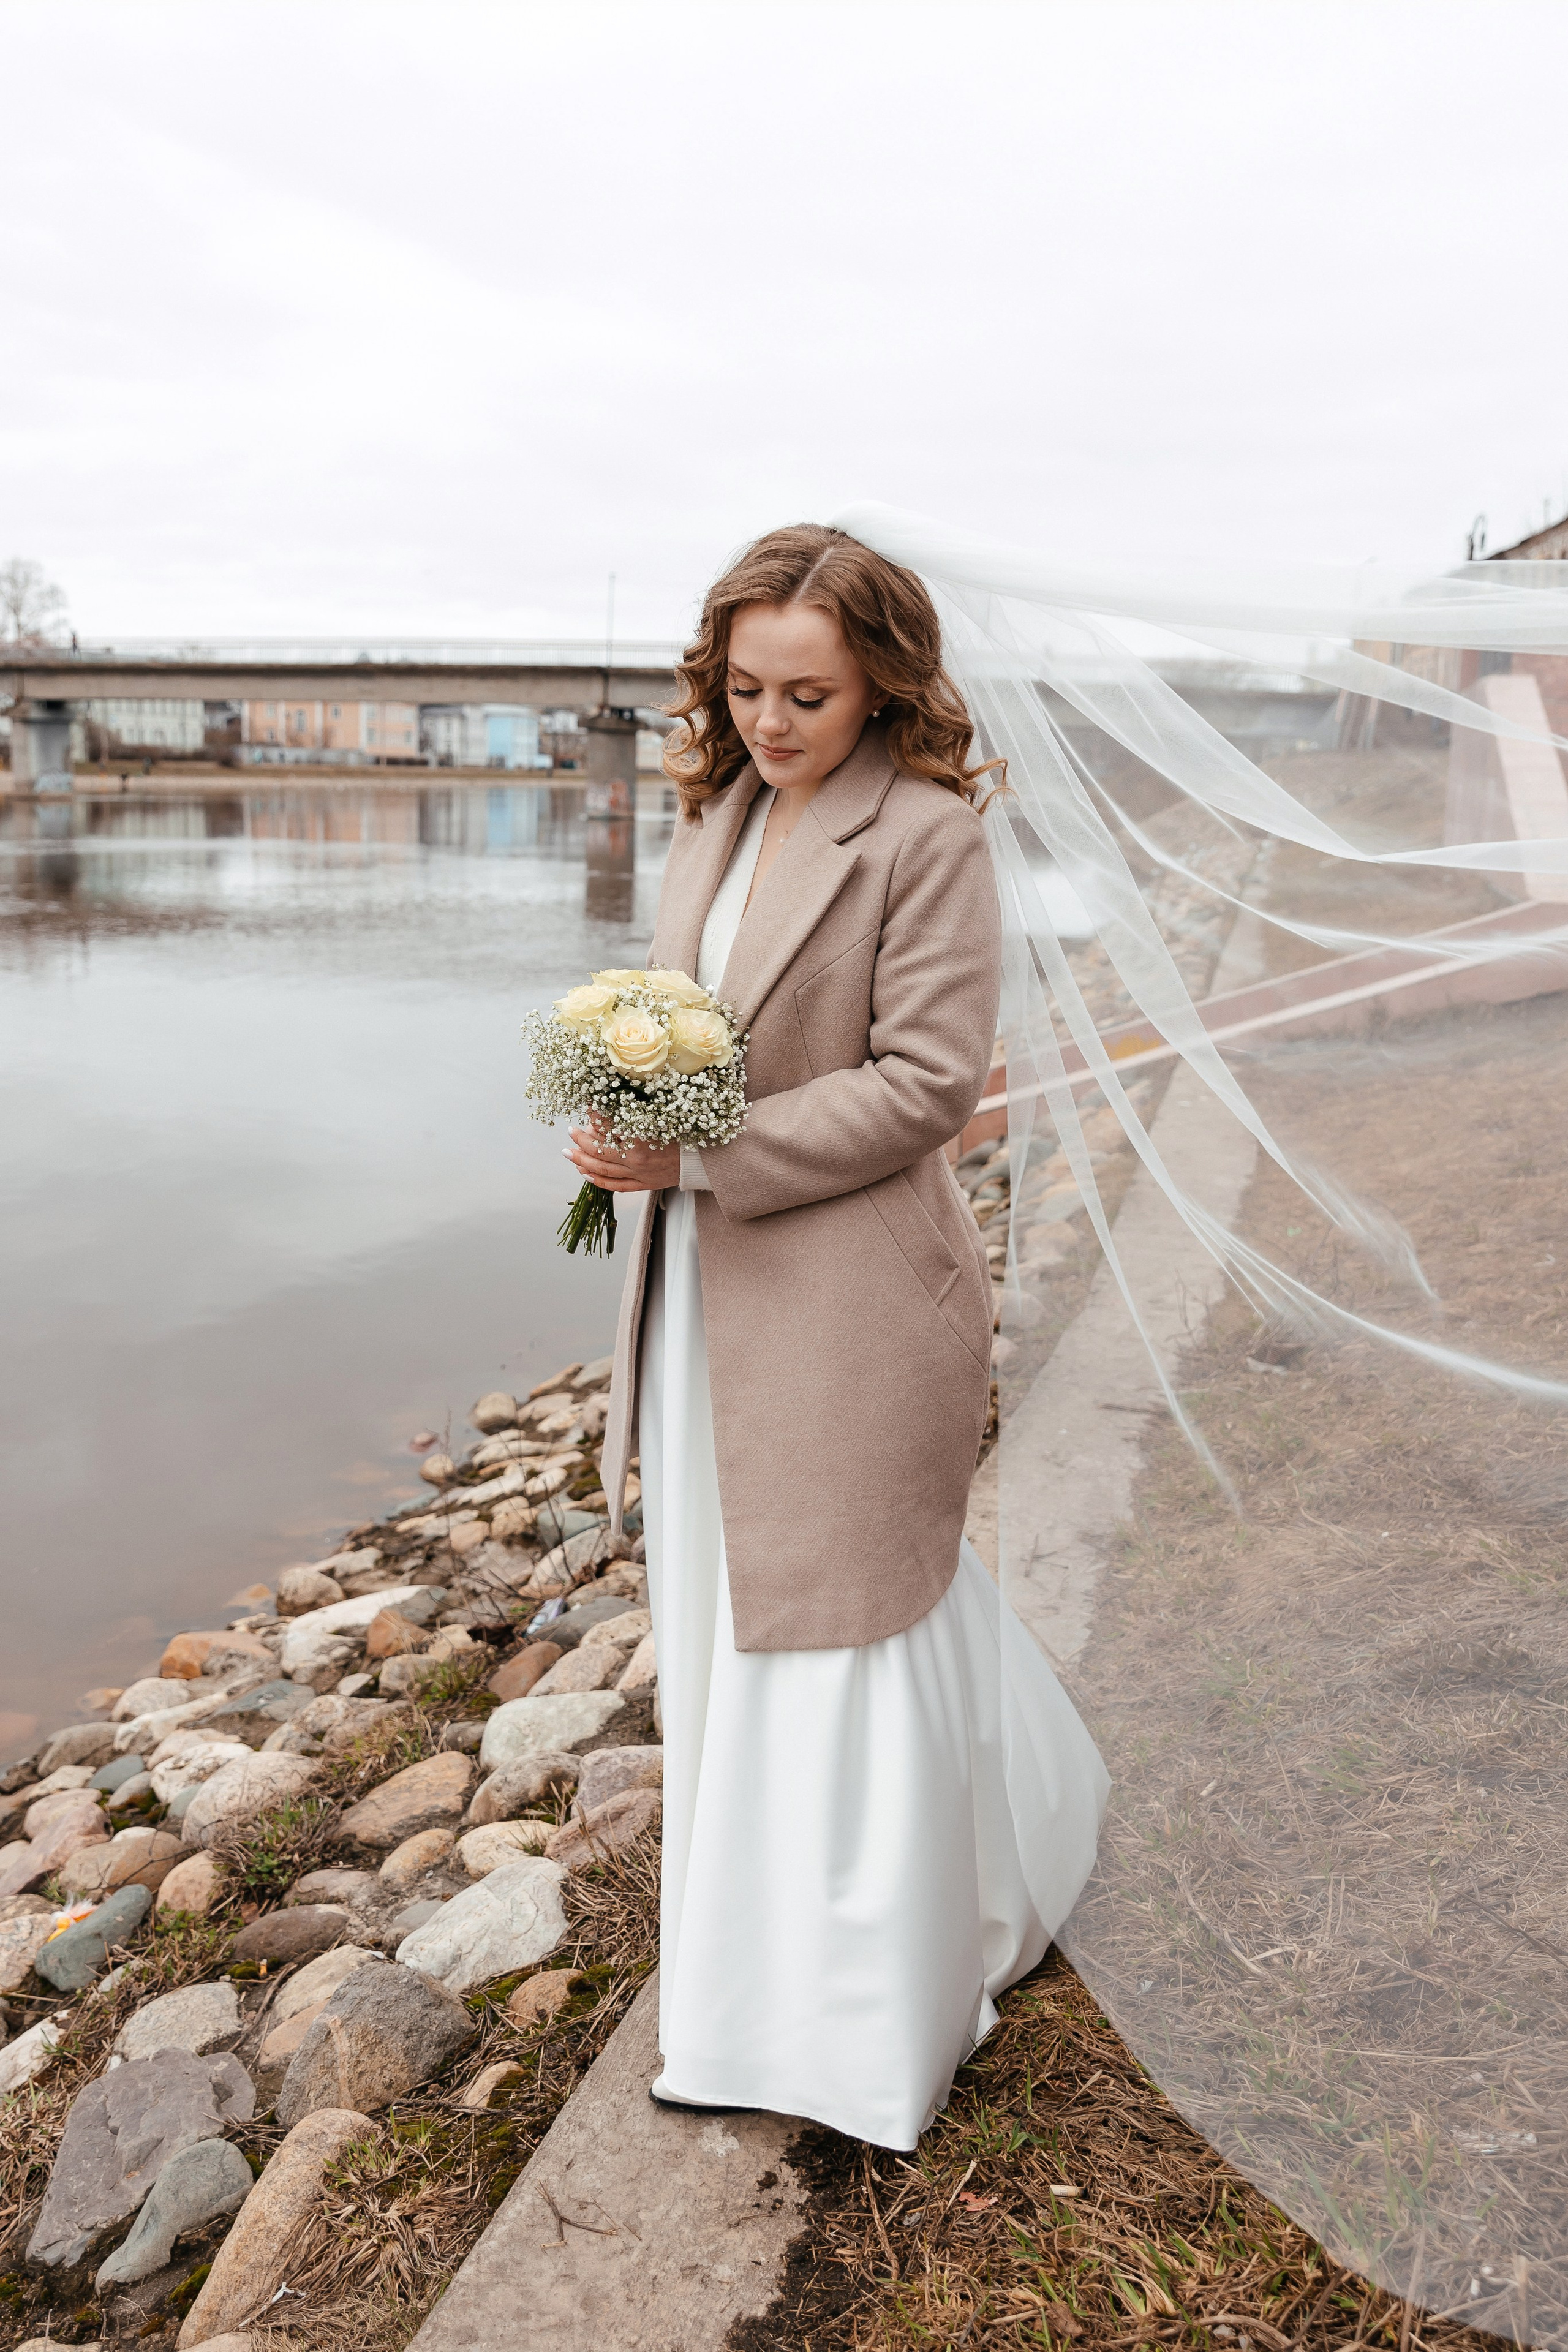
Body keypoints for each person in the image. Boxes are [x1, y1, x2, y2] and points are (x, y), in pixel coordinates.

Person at [568, 525, 1109, 2150]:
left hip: (852, 1307)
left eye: (806, 691)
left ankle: (851, 2023)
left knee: (848, 1625)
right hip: (701, 1300)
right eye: (744, 689)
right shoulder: (713, 816)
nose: (772, 722)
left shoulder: (927, 835)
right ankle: (757, 1972)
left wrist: (702, 1152)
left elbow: (926, 1088)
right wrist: (622, 1123)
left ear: (881, 676)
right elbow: (696, 1024)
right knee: (737, 1619)